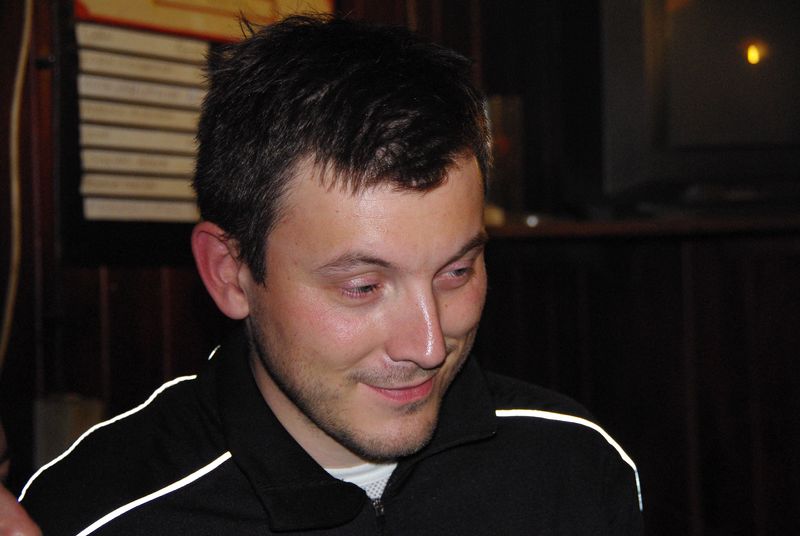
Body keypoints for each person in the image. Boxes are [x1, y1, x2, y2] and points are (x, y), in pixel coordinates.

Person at [19, 15, 642, 534]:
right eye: (362, 287)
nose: (428, 345)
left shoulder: (573, 465)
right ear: (231, 274)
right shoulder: (95, 516)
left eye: (456, 271)